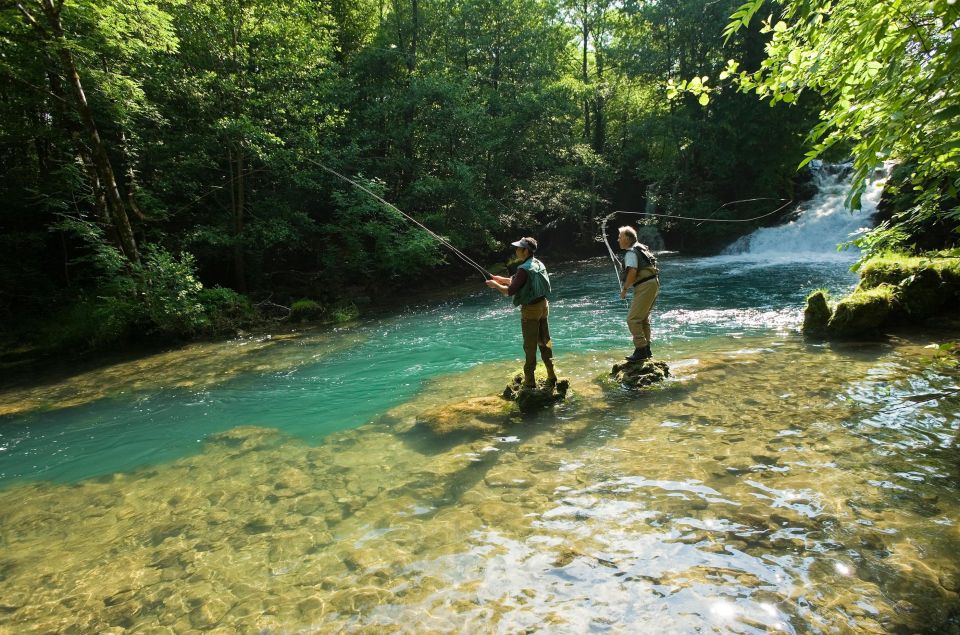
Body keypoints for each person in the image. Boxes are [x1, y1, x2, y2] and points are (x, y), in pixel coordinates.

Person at [486, 237, 558, 388]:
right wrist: (503, 279)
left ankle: (530, 382)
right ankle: (552, 375)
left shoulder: (523, 269)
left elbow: (509, 292)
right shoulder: (537, 263)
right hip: (543, 306)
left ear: (526, 250)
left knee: (530, 346)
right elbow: (523, 282)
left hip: (531, 310)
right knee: (545, 341)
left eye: (519, 248)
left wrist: (495, 285)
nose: (516, 250)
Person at [618, 226, 660, 361]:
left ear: (628, 238)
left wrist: (624, 289)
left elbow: (632, 272)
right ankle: (647, 349)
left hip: (645, 286)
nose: (618, 239)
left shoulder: (631, 252)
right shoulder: (640, 248)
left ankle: (641, 350)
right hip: (653, 283)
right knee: (643, 319)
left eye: (620, 237)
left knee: (632, 319)